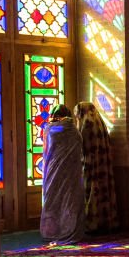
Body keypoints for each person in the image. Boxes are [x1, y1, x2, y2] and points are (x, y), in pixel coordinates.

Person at [40, 104, 85, 243]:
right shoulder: (73, 130)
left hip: (53, 172)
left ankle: (52, 230)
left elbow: (47, 151)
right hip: (72, 171)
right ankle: (71, 229)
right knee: (70, 200)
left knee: (53, 199)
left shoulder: (50, 129)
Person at [74, 101, 119, 234]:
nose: (77, 118)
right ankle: (107, 222)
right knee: (104, 191)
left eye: (77, 114)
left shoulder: (87, 124)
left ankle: (92, 224)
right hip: (103, 163)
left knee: (92, 191)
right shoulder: (100, 122)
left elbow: (84, 147)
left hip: (91, 164)